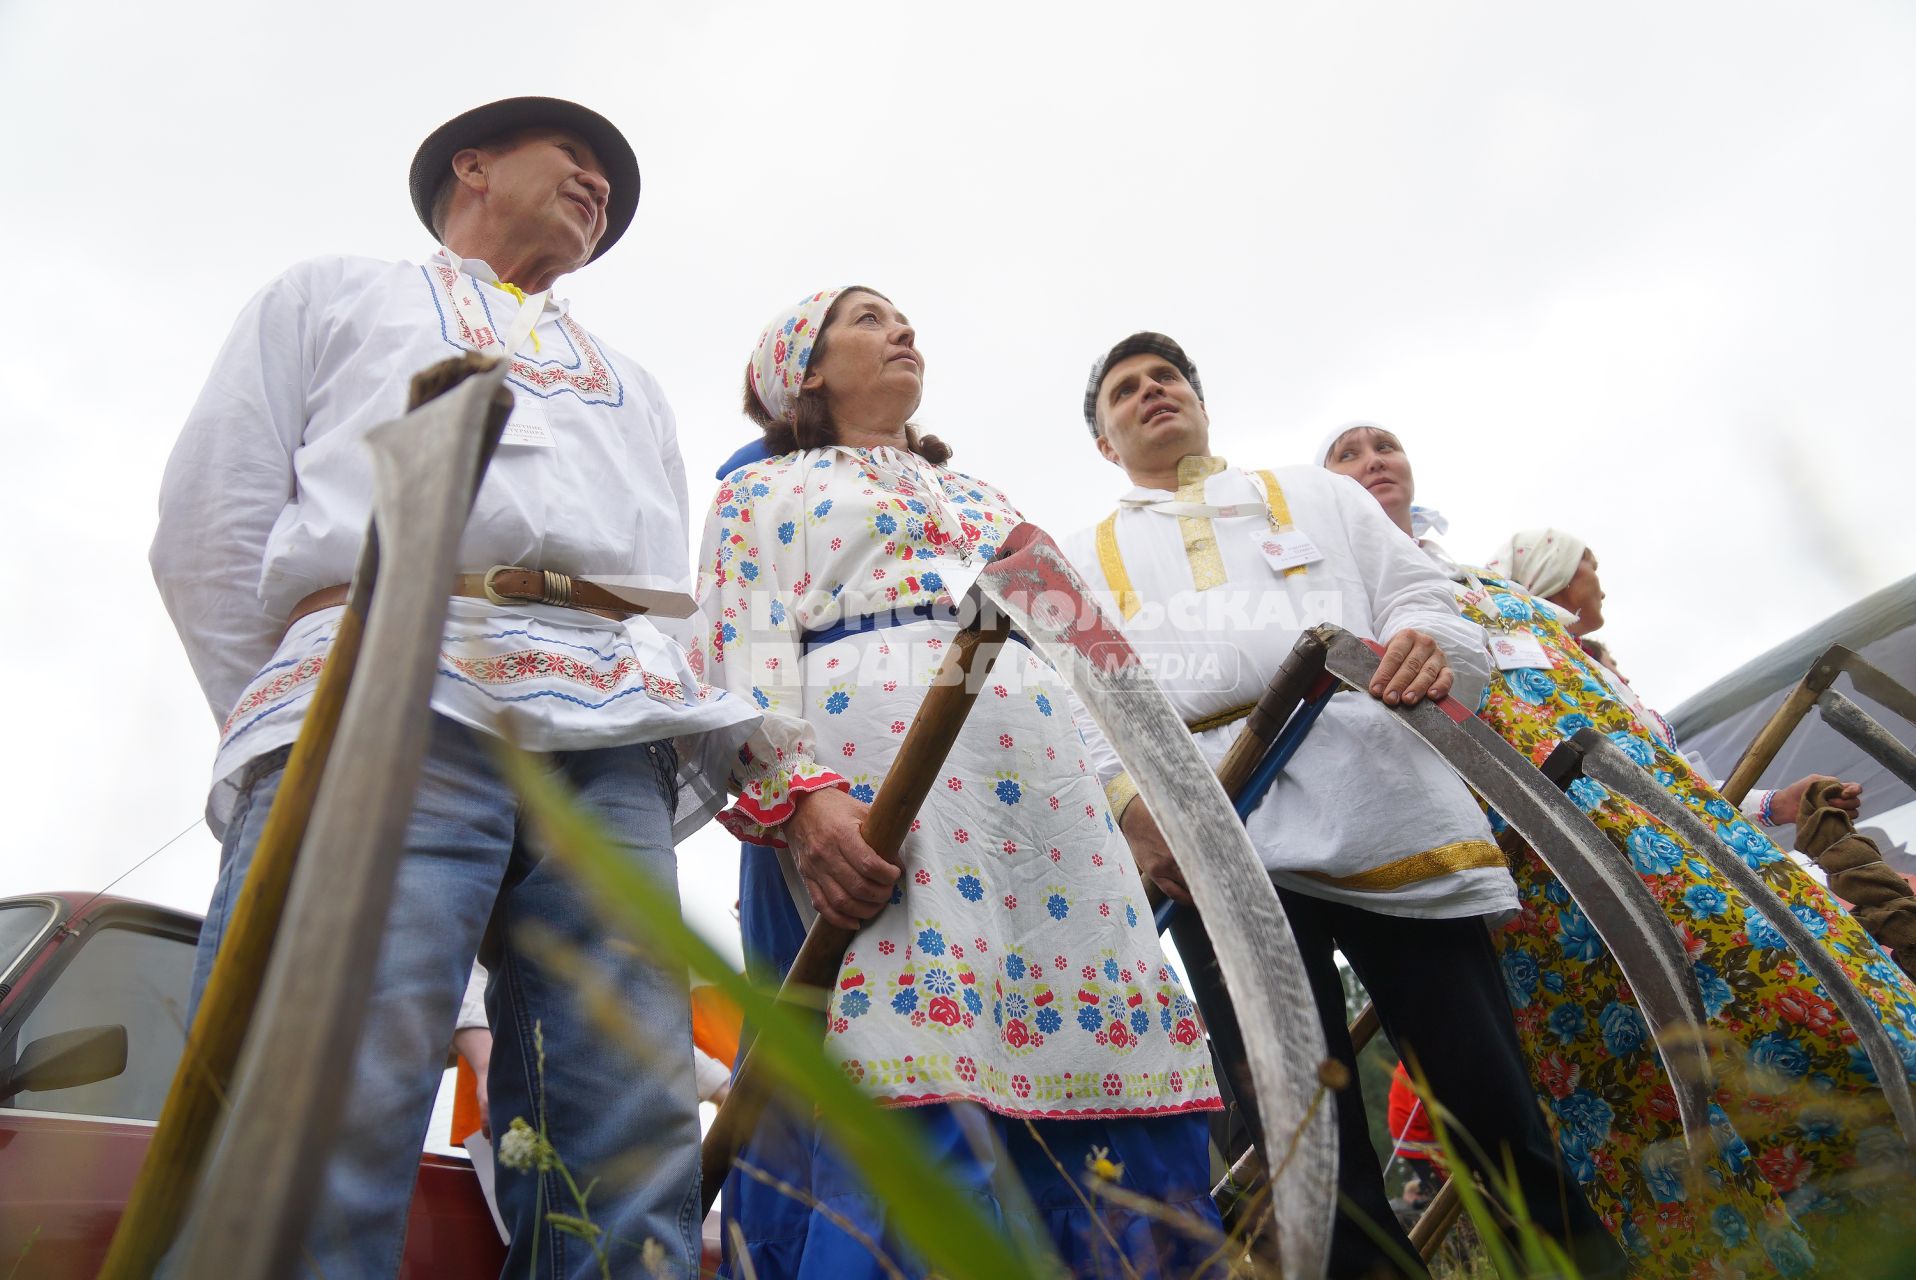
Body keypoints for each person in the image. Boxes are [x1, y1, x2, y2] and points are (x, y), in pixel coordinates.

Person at [150, 96, 757, 1277]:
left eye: (613, 184)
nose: (600, 188)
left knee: (628, 1114)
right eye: (574, 161)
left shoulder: (628, 379)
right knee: (325, 1083)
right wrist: (302, 697)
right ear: (470, 166)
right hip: (376, 690)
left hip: (602, 728)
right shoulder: (329, 295)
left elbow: (652, 571)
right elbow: (211, 529)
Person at [1061, 335, 1624, 1280]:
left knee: (1493, 1113)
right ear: (1106, 446)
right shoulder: (1080, 559)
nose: (1152, 391)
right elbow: (1074, 701)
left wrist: (1425, 643)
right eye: (1126, 389)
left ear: (1202, 404)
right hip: (1216, 843)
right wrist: (1126, 803)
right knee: (1312, 1159)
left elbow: (1423, 596)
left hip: (1383, 802)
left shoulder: (1322, 496)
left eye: (1168, 379)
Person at [693, 290, 1224, 1277]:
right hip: (881, 801)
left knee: (1099, 1059)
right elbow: (739, 648)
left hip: (1047, 809)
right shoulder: (760, 491)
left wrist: (1132, 803)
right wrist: (802, 796)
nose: (901, 329)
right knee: (908, 1063)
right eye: (864, 318)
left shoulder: (988, 499)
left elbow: (1086, 657)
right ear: (799, 368)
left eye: (901, 316)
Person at [1323, 421, 1916, 1267]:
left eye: (1384, 445)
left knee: (1801, 997)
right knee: (1637, 1064)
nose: (1372, 460)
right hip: (1546, 879)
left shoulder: (1498, 596)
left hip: (1684, 850)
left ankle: (1880, 1204)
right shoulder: (1349, 601)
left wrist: (1759, 811)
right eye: (1346, 455)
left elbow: (1655, 748)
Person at [1481, 525, 1864, 834]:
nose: (1603, 584)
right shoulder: (1533, 671)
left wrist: (1776, 804)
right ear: (1557, 571)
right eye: (1591, 565)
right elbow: (1631, 792)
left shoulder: (1590, 672)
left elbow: (1669, 783)